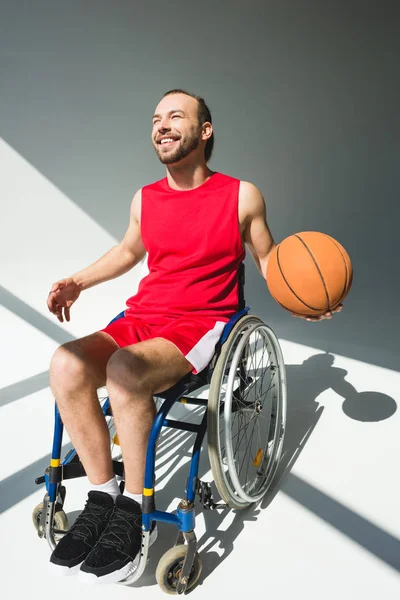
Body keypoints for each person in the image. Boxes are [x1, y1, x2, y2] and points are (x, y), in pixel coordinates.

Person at [46, 89, 342, 583]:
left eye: (175, 117)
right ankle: (104, 493)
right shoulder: (146, 197)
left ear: (204, 131)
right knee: (65, 363)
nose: (162, 126)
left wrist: (306, 299)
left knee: (123, 371)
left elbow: (271, 263)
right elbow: (126, 252)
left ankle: (136, 517)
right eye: (157, 119)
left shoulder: (241, 195)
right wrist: (78, 280)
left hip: (202, 322)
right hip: (143, 317)